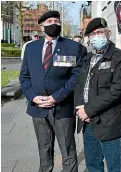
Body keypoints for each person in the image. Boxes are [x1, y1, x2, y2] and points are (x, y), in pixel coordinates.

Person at [19, 11, 83, 172]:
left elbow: (76, 78)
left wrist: (56, 97)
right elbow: (24, 76)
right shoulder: (31, 48)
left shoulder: (73, 47)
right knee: (44, 149)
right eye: (49, 21)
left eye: (56, 20)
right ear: (42, 26)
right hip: (38, 108)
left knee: (67, 150)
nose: (54, 23)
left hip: (62, 108)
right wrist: (33, 97)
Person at [74, 17, 121, 172]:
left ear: (108, 33)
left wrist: (88, 109)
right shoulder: (87, 59)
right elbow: (79, 86)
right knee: (92, 166)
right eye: (92, 34)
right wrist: (80, 110)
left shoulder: (120, 58)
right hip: (88, 123)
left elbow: (116, 91)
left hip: (109, 123)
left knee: (115, 167)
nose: (96, 36)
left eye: (100, 32)